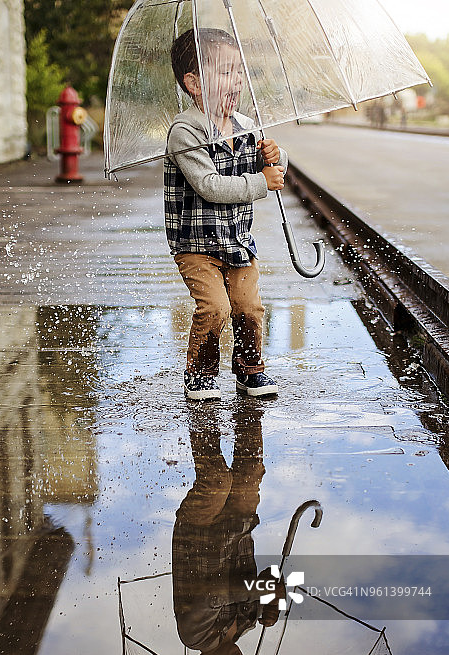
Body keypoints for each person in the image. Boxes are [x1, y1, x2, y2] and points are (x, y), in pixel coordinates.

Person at [165, 28, 288, 400]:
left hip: (238, 241)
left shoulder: (247, 127)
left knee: (249, 307)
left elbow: (271, 170)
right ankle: (200, 374)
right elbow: (210, 186)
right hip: (196, 245)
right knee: (215, 308)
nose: (236, 80)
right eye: (224, 71)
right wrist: (261, 182)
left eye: (238, 71)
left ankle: (250, 372)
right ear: (194, 84)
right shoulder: (186, 132)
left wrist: (276, 157)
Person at [172, 406, 284, 655]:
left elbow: (214, 595)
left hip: (198, 530)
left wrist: (260, 591)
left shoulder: (194, 635)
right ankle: (249, 407)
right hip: (238, 527)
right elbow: (270, 577)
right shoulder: (247, 622)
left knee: (216, 481)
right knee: (251, 470)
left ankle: (202, 409)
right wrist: (274, 599)